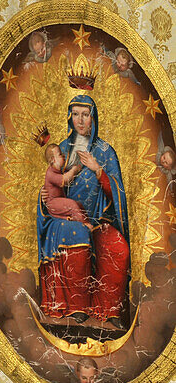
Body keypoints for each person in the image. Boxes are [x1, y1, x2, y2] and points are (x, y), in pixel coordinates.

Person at [36, 94, 130, 325]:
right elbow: (50, 184)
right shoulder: (61, 150)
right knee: (77, 238)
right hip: (67, 219)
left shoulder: (105, 151)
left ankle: (108, 310)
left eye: (85, 115)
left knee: (119, 250)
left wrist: (98, 170)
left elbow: (118, 194)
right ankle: (77, 308)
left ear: (93, 118)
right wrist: (43, 198)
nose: (80, 120)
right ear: (70, 117)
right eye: (76, 114)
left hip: (99, 219)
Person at [42, 143, 87, 225]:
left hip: (58, 200)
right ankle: (84, 224)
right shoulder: (50, 173)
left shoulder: (58, 170)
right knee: (72, 204)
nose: (63, 156)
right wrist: (74, 170)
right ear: (53, 159)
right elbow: (65, 180)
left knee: (78, 204)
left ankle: (86, 221)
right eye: (60, 154)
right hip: (52, 203)